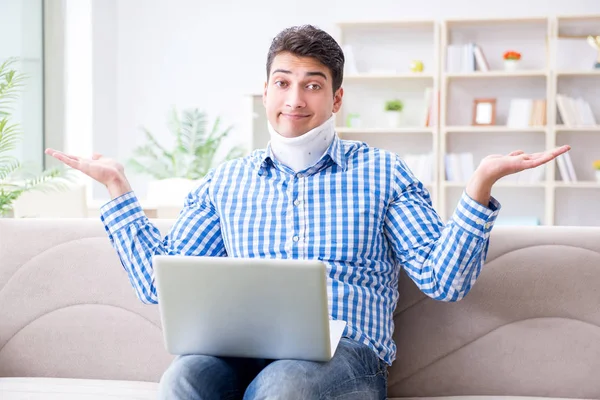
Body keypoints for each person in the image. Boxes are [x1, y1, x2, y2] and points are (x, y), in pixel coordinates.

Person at [46, 24, 570, 400]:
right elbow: (160, 285)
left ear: (336, 98)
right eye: (283, 81)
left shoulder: (383, 173)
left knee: (284, 385)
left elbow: (443, 280)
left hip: (347, 359)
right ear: (266, 92)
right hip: (242, 349)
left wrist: (480, 186)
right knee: (183, 379)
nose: (294, 98)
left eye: (312, 84)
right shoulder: (227, 180)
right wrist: (117, 188)